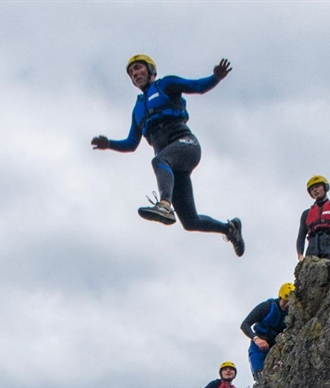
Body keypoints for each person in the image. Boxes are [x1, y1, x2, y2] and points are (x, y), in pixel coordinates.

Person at [91, 54, 245, 257]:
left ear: (150, 70)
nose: (135, 74)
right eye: (131, 73)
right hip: (173, 164)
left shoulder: (166, 85)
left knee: (159, 160)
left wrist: (215, 77)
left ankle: (164, 205)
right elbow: (130, 144)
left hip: (186, 145)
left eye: (138, 68)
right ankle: (230, 229)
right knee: (190, 221)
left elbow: (197, 86)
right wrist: (109, 144)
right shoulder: (138, 109)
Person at [240, 283, 293, 381]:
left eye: (290, 302)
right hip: (258, 347)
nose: (287, 305)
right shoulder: (267, 307)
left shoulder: (292, 312)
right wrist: (256, 339)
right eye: (285, 301)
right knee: (260, 377)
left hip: (276, 348)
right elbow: (245, 324)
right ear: (280, 297)